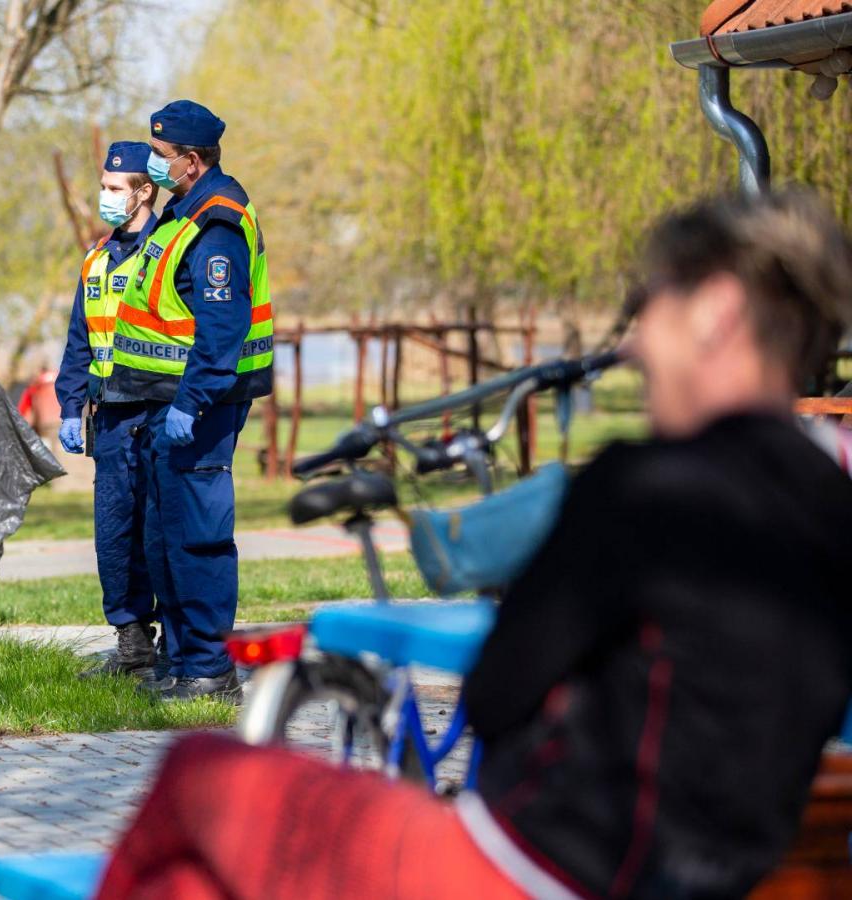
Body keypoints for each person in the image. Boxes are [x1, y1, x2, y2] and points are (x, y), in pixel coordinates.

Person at [96, 189, 852, 898]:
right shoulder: (830, 495)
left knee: (198, 768)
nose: (635, 344)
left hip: (526, 870)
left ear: (716, 311)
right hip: (703, 876)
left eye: (646, 304)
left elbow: (495, 695)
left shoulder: (647, 487)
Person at [103, 100, 273, 701]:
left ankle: (209, 668)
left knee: (197, 536)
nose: (155, 164)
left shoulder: (217, 222)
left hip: (200, 406)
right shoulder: (187, 208)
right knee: (164, 535)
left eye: (164, 156)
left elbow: (221, 329)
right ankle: (181, 661)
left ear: (192, 161)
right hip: (165, 405)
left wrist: (192, 402)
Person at [53, 141, 162, 677]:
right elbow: (79, 340)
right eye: (104, 186)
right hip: (111, 416)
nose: (106, 196)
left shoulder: (167, 250)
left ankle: (183, 644)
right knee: (114, 530)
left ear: (145, 192)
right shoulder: (96, 260)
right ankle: (133, 642)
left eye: (116, 188)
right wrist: (70, 405)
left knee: (161, 527)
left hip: (161, 411)